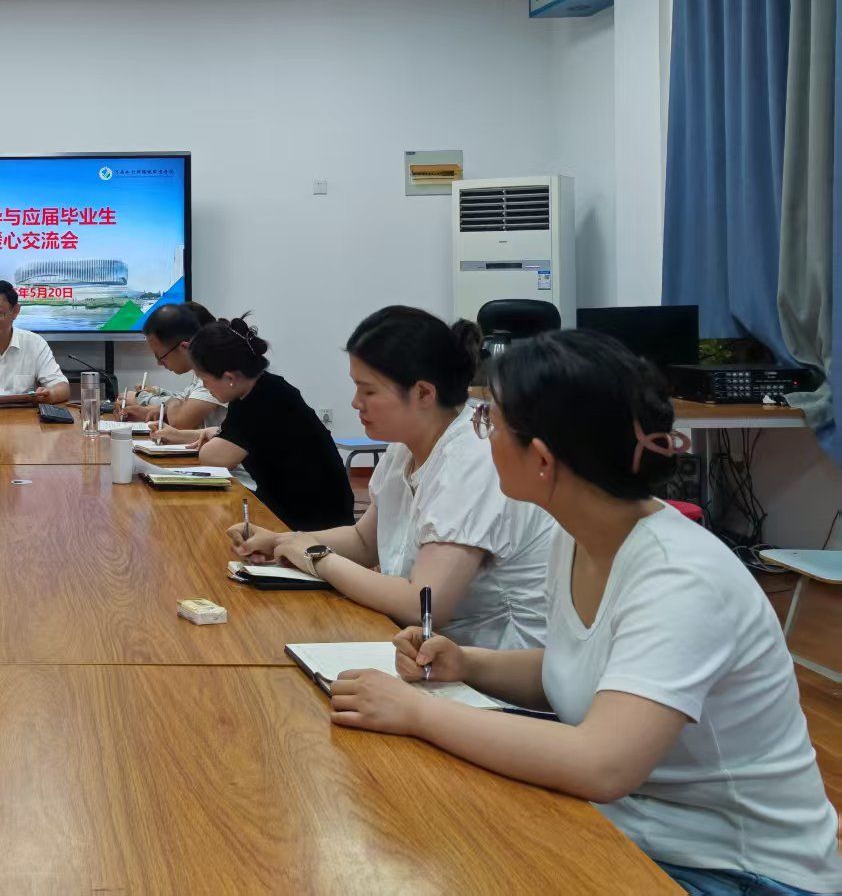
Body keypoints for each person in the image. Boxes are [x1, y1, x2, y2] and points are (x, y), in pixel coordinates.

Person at [328, 331, 842, 896]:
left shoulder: (680, 577)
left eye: (490, 423)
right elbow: (584, 669)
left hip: (736, 871)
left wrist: (416, 712)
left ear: (542, 460)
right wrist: (466, 664)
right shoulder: (578, 537)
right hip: (634, 829)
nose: (482, 436)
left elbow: (601, 764)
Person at [229, 306, 554, 649]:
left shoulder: (470, 459)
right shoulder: (405, 447)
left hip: (490, 662)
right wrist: (282, 541)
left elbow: (424, 605)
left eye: (368, 391)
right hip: (426, 649)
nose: (355, 403)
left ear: (424, 393)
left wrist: (317, 557)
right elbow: (363, 542)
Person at [183, 314, 354, 531]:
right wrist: (217, 436)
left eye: (204, 380)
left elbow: (214, 458)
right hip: (293, 505)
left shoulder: (263, 400)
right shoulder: (258, 389)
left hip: (314, 520)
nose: (205, 387)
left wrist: (216, 439)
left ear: (230, 378)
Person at [116, 301, 226, 431]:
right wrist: (152, 409)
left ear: (185, 346)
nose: (159, 363)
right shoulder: (206, 365)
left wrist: (142, 398)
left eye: (161, 357)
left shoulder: (217, 368)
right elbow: (186, 399)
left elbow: (180, 421)